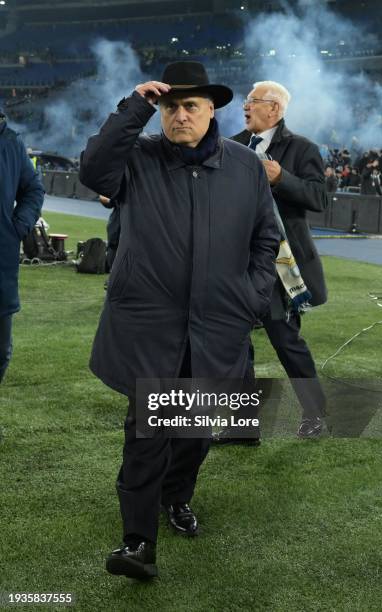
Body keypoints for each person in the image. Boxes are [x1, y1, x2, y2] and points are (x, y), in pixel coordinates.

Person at [79, 61, 280, 579]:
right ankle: (136, 542)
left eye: (191, 106)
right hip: (150, 327)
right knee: (147, 433)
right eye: (170, 106)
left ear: (212, 110)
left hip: (216, 327)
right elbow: (93, 170)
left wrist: (253, 297)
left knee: (192, 434)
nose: (180, 115)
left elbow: (266, 238)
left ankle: (177, 498)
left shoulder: (244, 167)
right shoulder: (137, 157)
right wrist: (134, 107)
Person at [215, 80, 328, 443]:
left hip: (280, 266)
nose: (245, 107)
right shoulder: (230, 145)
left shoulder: (301, 148)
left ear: (275, 109)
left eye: (253, 101)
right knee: (234, 345)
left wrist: (282, 178)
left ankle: (316, 415)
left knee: (286, 341)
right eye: (245, 102)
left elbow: (319, 197)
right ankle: (243, 426)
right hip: (235, 263)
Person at [0, 110, 44, 383]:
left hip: (1, 263)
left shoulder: (12, 143)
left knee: (1, 351)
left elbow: (33, 189)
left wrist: (17, 227)